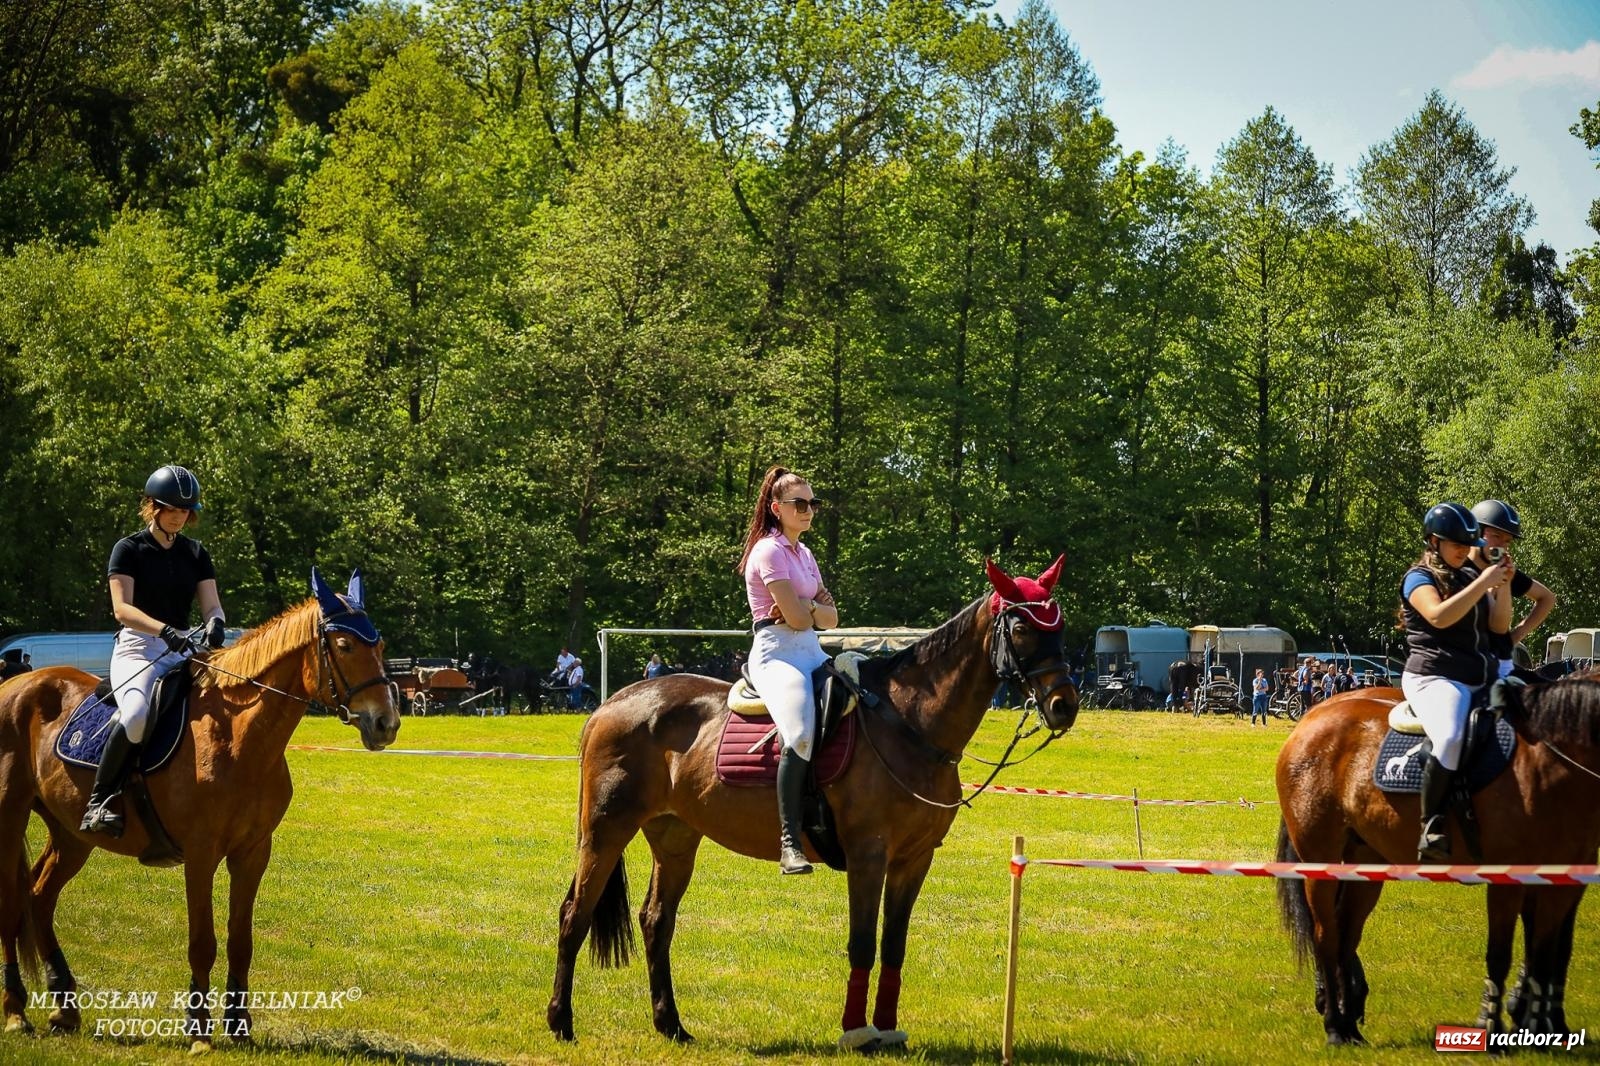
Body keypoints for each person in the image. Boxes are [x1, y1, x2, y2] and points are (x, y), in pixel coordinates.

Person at [83, 464, 227, 836]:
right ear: (153, 507)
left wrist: (215, 622)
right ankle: (99, 801)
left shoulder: (195, 553)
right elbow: (122, 609)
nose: (179, 518)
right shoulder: (128, 549)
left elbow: (211, 603)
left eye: (185, 512)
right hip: (138, 647)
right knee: (135, 716)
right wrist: (163, 629)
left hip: (181, 647)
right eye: (172, 510)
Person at [737, 465, 838, 875]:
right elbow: (798, 618)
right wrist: (813, 609)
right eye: (800, 503)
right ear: (777, 508)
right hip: (776, 653)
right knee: (797, 733)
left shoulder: (805, 553)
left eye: (813, 503)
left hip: (811, 649)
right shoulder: (768, 551)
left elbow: (828, 619)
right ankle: (789, 840)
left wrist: (809, 609)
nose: (809, 509)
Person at [1400, 502, 1512, 861]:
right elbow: (1438, 617)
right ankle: (1430, 826)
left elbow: (1498, 627)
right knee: (1449, 736)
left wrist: (1504, 585)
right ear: (1434, 541)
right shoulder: (1418, 578)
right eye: (1457, 544)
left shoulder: (1467, 575)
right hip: (1434, 677)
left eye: (1468, 543)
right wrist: (1483, 582)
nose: (1465, 550)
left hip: (1481, 676)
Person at [1469, 499, 1557, 679]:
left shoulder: (1505, 571)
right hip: (1471, 666)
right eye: (1496, 536)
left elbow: (1547, 598)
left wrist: (1516, 636)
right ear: (1476, 533)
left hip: (1501, 663)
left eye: (1507, 541)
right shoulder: (1459, 571)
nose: (1502, 546)